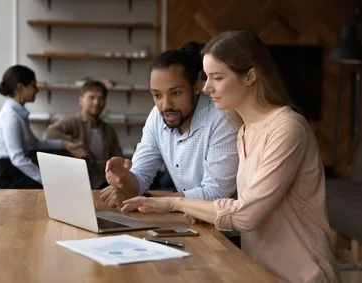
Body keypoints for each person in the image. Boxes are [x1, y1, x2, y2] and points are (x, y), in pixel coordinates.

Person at [121, 29, 341, 283]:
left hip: (303, 275)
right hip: (257, 272)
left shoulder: (288, 128)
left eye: (217, 77)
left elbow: (245, 214)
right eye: (206, 77)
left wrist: (175, 202)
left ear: (250, 77)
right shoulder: (244, 129)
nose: (206, 87)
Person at [101, 41, 239, 208]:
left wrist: (156, 202)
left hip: (223, 229)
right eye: (157, 95)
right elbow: (141, 176)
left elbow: (215, 193)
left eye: (176, 93)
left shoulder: (222, 118)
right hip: (187, 221)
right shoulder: (157, 116)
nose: (166, 105)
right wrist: (124, 178)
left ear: (197, 86)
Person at [0, 65, 85, 198]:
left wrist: (65, 144)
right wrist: (46, 180)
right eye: (33, 85)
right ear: (20, 87)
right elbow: (18, 158)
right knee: (48, 189)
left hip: (10, 169)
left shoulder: (18, 114)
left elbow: (34, 143)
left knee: (56, 178)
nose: (37, 90)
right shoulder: (11, 116)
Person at [44, 80, 122, 189]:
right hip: (80, 180)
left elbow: (118, 154)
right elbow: (49, 134)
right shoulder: (72, 121)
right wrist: (74, 143)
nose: (96, 102)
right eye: (91, 97)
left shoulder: (109, 129)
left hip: (106, 180)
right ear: (81, 100)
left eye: (101, 98)